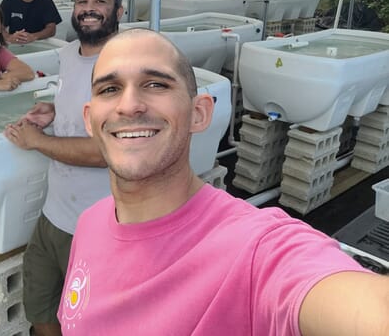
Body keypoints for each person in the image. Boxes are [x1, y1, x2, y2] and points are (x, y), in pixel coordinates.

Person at [59, 28, 389, 335]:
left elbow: (360, 307)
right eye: (110, 89)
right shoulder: (90, 224)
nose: (129, 105)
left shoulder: (255, 248)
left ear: (200, 113)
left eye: (156, 84)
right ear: (90, 119)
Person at [4, 0, 124, 336]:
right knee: (40, 309)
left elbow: (109, 150)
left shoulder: (124, 65)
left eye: (100, 1)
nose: (89, 9)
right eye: (82, 1)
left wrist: (37, 141)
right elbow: (78, 110)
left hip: (98, 223)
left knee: (88, 321)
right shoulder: (70, 54)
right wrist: (52, 113)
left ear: (119, 11)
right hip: (53, 213)